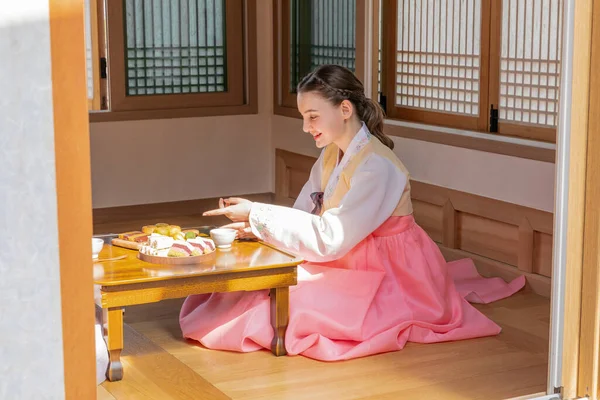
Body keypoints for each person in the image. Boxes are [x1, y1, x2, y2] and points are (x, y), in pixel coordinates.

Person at [179, 65, 525, 361]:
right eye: (304, 117)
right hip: (349, 252)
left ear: (345, 109)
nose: (305, 127)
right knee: (250, 290)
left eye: (312, 116)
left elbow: (331, 239)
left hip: (388, 270)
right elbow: (305, 211)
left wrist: (259, 214)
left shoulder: (378, 167)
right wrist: (258, 226)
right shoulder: (332, 152)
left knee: (280, 307)